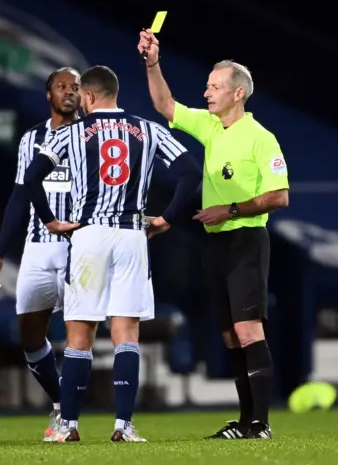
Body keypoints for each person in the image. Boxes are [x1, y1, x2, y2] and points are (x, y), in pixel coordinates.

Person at [23, 65, 201, 442]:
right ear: (114, 93)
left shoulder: (71, 133)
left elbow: (31, 178)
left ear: (87, 97)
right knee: (126, 333)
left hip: (89, 236)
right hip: (132, 235)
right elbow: (190, 172)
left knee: (79, 333)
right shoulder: (148, 130)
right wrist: (167, 218)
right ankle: (123, 425)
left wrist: (52, 220)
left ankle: (68, 425)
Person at [138, 29, 290, 439]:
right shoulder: (211, 127)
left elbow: (280, 195)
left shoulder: (260, 138)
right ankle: (245, 422)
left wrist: (232, 209)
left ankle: (260, 424)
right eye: (207, 85)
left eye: (215, 86)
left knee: (247, 330)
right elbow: (165, 106)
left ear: (238, 93)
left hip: (246, 240)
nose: (207, 92)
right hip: (217, 243)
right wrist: (153, 62)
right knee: (228, 336)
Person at [0, 67, 81, 441]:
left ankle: (70, 420)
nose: (69, 92)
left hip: (80, 246)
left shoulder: (91, 136)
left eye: (75, 87)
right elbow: (20, 195)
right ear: (48, 94)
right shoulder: (31, 139)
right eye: (62, 87)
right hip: (38, 246)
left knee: (78, 336)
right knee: (29, 336)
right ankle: (61, 404)